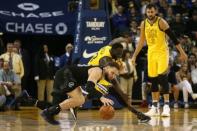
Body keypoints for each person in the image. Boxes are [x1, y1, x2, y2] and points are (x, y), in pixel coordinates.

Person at [131, 3, 187, 117]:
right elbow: (141, 42)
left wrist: (182, 52)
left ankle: (166, 106)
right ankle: (155, 107)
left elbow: (173, 38)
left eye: (152, 12)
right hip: (151, 53)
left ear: (155, 11)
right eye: (148, 12)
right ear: (146, 12)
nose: (150, 14)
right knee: (153, 80)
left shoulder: (161, 22)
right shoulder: (143, 24)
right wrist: (134, 55)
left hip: (162, 52)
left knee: (162, 78)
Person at [41, 62, 120, 125]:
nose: (113, 76)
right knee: (79, 100)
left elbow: (91, 93)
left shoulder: (101, 74)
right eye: (112, 73)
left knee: (80, 100)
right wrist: (101, 97)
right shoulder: (98, 71)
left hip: (72, 78)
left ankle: (52, 112)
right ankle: (48, 112)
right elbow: (89, 87)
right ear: (107, 68)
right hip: (65, 75)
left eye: (115, 75)